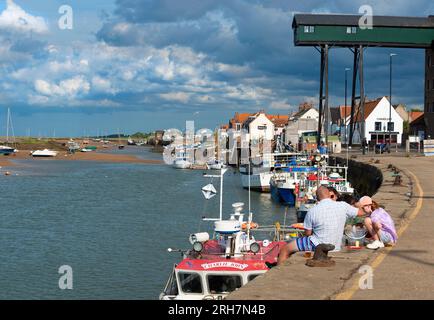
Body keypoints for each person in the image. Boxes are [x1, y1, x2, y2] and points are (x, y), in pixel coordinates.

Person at [270, 186, 365, 267]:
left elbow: (308, 234)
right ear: (329, 195)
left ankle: (278, 271)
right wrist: (358, 203)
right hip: (336, 246)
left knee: (285, 250)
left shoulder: (312, 211)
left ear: (317, 198)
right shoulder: (343, 206)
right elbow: (361, 212)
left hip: (316, 244)